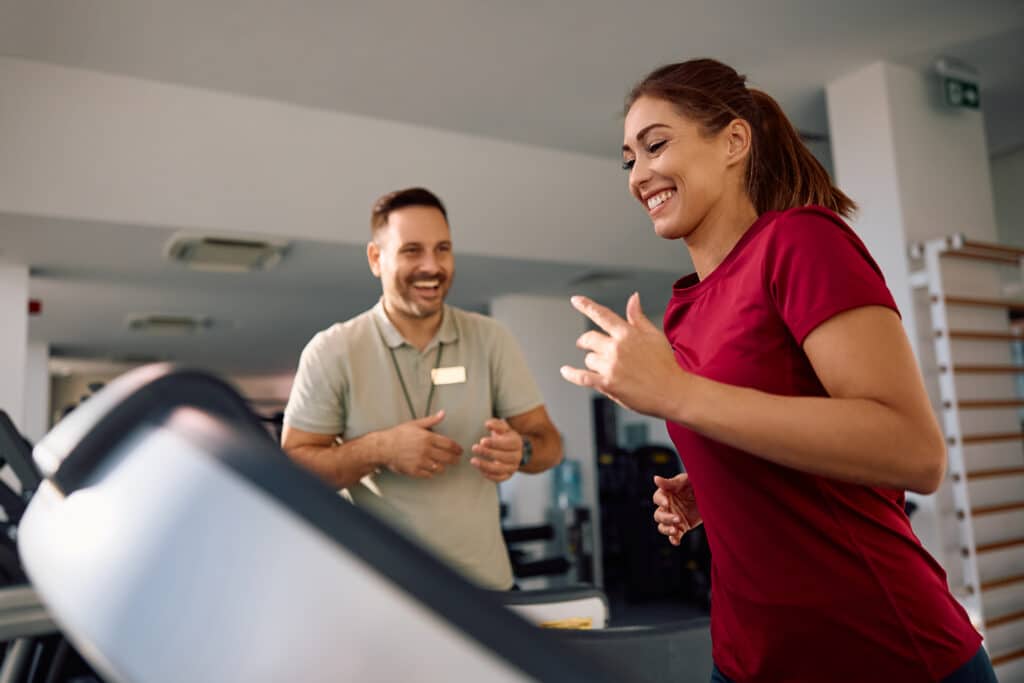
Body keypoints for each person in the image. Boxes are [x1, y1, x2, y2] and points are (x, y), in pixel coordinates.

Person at [560, 59, 995, 683]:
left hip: (882, 654)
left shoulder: (800, 242)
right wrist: (719, 481)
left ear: (734, 142)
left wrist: (678, 394)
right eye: (629, 159)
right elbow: (769, 421)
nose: (640, 174)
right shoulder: (682, 310)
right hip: (747, 660)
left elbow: (914, 451)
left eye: (656, 145)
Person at [282, 187, 562, 590]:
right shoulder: (333, 349)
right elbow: (294, 470)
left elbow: (550, 444)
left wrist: (523, 450)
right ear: (376, 259)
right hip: (383, 596)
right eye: (412, 250)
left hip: (486, 591)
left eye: (442, 249)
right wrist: (381, 450)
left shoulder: (490, 339)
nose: (431, 266)